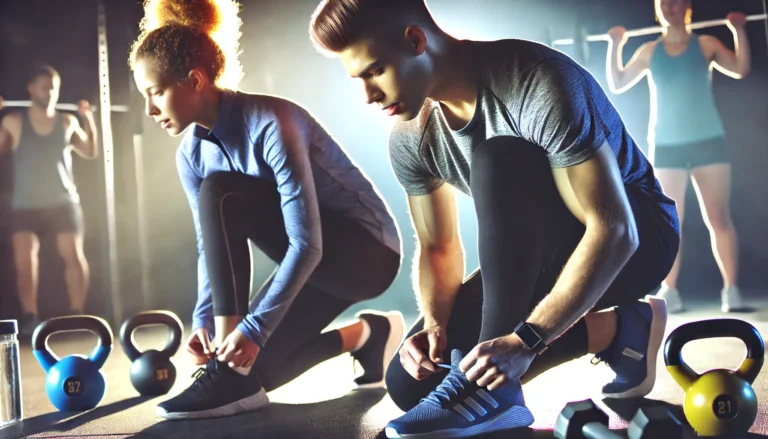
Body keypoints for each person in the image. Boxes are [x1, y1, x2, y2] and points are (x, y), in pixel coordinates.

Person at [309, 0, 680, 437]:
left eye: (375, 71)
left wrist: (527, 340)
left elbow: (613, 230)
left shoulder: (535, 80)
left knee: (497, 158)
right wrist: (435, 324)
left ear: (415, 40)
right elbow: (438, 247)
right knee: (412, 382)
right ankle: (622, 332)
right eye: (358, 79)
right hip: (545, 253)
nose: (369, 96)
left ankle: (498, 399)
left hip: (638, 239)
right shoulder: (410, 135)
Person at [129, 0, 405, 421]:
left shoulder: (273, 121)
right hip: (316, 263)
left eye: (156, 93)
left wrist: (250, 329)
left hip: (368, 253)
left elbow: (307, 243)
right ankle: (369, 334)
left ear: (195, 80)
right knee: (254, 375)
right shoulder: (190, 155)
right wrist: (204, 320)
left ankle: (223, 368)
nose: (150, 110)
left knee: (220, 190)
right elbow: (209, 247)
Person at [605, 0, 749, 314]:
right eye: (664, 2)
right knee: (671, 222)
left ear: (687, 6)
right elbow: (617, 83)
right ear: (658, 9)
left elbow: (739, 69)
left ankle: (732, 290)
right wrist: (615, 45)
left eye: (675, 1)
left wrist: (738, 30)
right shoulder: (650, 51)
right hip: (667, 145)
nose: (669, 6)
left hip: (708, 141)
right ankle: (670, 290)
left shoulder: (706, 44)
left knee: (719, 218)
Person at [0, 66, 98, 336]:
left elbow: (90, 151)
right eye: (44, 86)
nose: (50, 91)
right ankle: (30, 318)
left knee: (74, 255)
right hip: (26, 204)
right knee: (25, 261)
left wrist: (88, 119)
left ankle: (78, 315)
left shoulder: (67, 121)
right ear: (31, 89)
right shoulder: (14, 121)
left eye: (53, 87)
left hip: (62, 201)